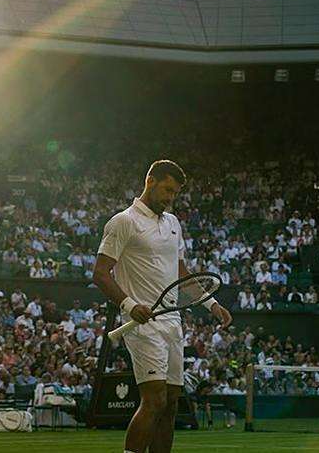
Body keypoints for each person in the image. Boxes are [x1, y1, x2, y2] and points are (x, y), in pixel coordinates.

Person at [92, 160, 232, 453]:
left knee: (170, 405)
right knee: (154, 400)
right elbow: (101, 273)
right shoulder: (123, 221)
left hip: (172, 323)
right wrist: (130, 305)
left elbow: (182, 274)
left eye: (175, 193)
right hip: (142, 325)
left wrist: (213, 305)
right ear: (150, 181)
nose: (170, 198)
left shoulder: (173, 223)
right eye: (167, 190)